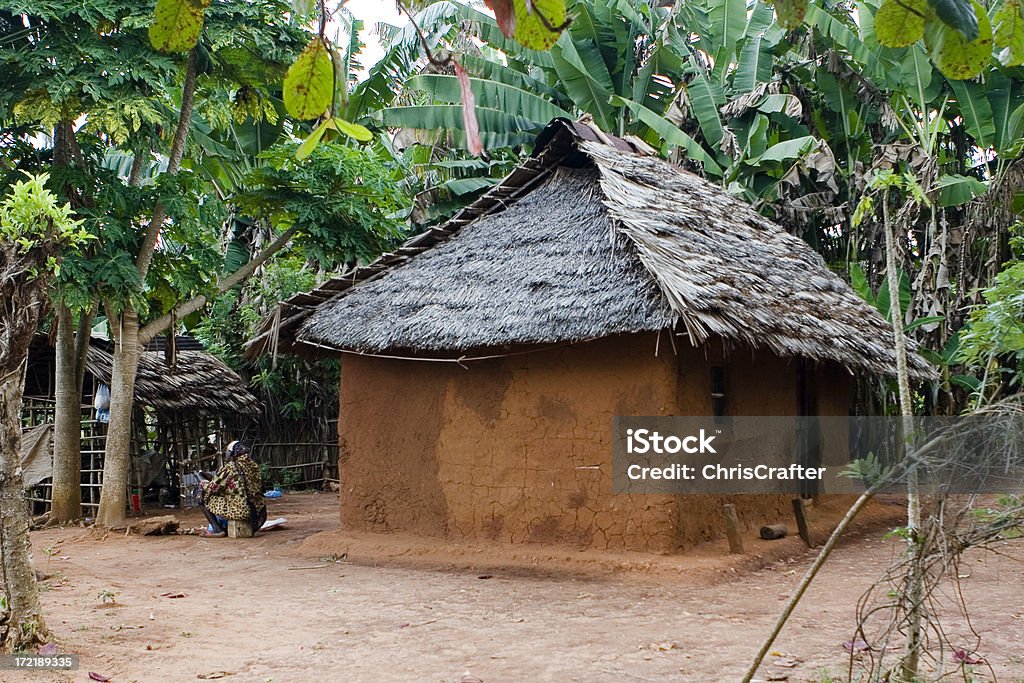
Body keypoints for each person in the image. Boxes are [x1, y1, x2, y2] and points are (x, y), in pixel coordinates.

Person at [198, 440, 267, 538]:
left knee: (201, 494)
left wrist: (203, 483)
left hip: (241, 510)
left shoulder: (231, 467)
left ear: (232, 453)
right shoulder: (253, 466)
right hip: (257, 512)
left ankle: (218, 530)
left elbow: (213, 488)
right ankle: (251, 527)